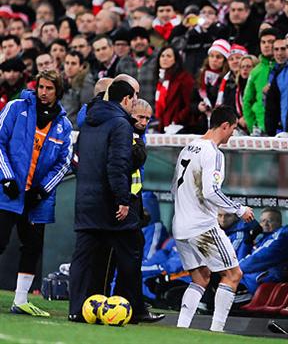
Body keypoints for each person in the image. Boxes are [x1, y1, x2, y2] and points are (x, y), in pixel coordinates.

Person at [69, 76, 161, 323]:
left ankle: (78, 309)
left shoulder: (87, 121)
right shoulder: (121, 124)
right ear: (126, 99)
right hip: (112, 202)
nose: (135, 105)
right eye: (134, 99)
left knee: (84, 256)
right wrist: (122, 199)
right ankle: (131, 309)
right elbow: (118, 164)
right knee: (130, 252)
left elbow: (77, 160)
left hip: (85, 200)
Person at [172, 105, 254, 332]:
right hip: (201, 226)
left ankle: (181, 329)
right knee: (233, 274)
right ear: (225, 126)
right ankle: (217, 332)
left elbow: (175, 188)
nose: (232, 134)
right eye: (233, 129)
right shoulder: (213, 152)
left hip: (180, 226)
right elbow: (210, 191)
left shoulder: (188, 147)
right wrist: (239, 210)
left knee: (201, 279)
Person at [0, 70, 73, 317]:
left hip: (36, 200)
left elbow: (64, 163)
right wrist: (6, 176)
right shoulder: (15, 108)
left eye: (49, 88)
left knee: (32, 247)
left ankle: (20, 300)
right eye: (40, 87)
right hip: (6, 192)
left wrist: (43, 190)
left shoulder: (63, 125)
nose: (43, 92)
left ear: (58, 91)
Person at [240, 208, 288, 294]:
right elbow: (245, 257)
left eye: (270, 220)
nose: (265, 224)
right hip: (255, 282)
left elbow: (257, 259)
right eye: (262, 221)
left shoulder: (282, 238)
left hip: (266, 286)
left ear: (279, 222)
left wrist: (235, 269)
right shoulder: (265, 238)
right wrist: (248, 240)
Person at [153, 45, 194, 133]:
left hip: (179, 127)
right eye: (162, 56)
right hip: (163, 126)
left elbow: (189, 104)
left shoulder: (184, 78)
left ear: (176, 59)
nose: (164, 59)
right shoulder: (161, 79)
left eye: (169, 56)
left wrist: (176, 121)